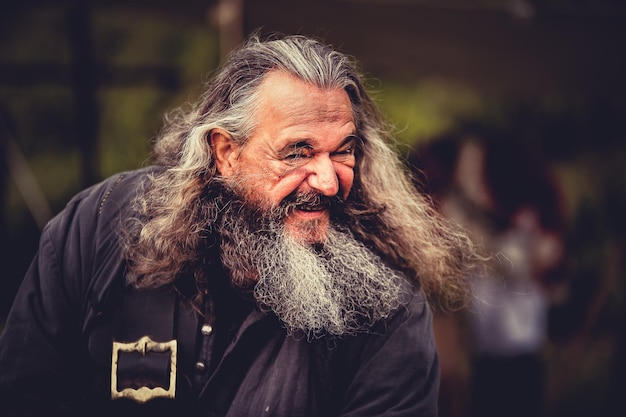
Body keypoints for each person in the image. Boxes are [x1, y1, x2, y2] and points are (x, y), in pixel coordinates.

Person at [0, 33, 479, 417]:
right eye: (299, 152)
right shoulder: (99, 225)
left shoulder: (384, 307)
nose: (330, 180)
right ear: (226, 153)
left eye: (343, 150)